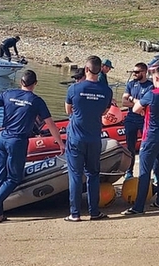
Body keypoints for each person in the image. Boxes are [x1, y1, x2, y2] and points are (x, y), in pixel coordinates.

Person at [0, 70, 63, 223]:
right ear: (35, 84)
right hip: (17, 141)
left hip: (2, 137)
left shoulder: (8, 94)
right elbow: (50, 124)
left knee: (0, 174)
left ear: (21, 82)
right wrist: (59, 142)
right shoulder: (36, 100)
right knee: (14, 178)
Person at [64, 56, 113, 222]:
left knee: (75, 175)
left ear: (86, 69)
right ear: (100, 70)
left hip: (76, 138)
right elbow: (105, 112)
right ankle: (94, 211)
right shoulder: (106, 91)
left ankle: (75, 213)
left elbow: (68, 111)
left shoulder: (74, 89)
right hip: (94, 138)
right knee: (93, 174)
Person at [121, 66, 159, 215]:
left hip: (150, 135)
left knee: (145, 171)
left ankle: (138, 207)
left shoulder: (152, 94)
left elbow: (135, 109)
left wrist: (133, 99)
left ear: (157, 78)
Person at [120, 62, 154, 179]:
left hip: (144, 120)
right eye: (133, 71)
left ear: (144, 72)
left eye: (137, 72)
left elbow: (146, 103)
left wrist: (131, 99)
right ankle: (129, 171)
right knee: (130, 147)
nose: (134, 74)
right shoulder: (131, 84)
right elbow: (124, 102)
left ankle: (152, 172)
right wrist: (138, 104)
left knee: (148, 146)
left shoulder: (150, 86)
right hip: (131, 118)